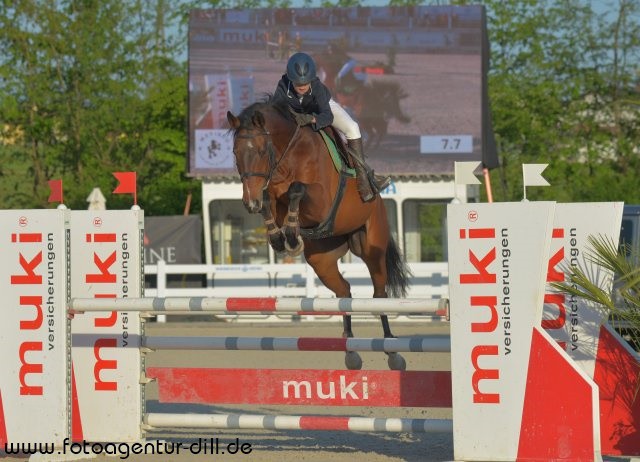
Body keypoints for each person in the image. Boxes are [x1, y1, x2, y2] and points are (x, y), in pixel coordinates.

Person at [273, 52, 389, 202]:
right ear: (290, 79)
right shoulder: (283, 86)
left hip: (323, 109)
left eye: (305, 83)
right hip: (298, 116)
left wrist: (311, 119)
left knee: (353, 128)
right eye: (298, 83)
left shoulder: (318, 87)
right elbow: (276, 112)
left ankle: (364, 181)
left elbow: (327, 116)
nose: (302, 87)